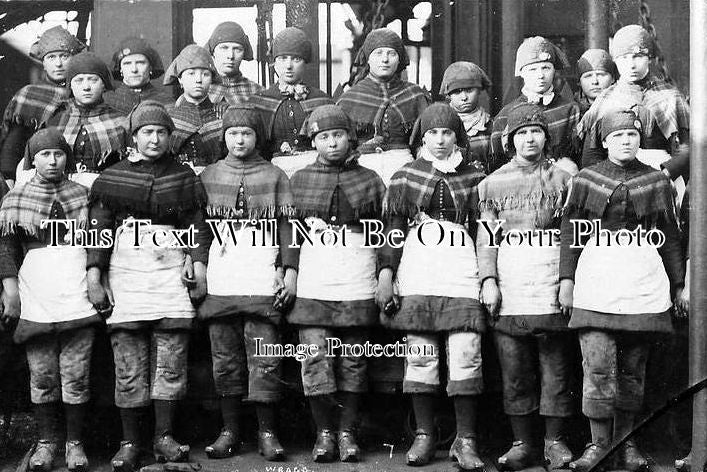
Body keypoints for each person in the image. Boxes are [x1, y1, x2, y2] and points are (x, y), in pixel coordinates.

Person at [85, 101, 210, 471]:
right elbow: (99, 231)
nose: (154, 139)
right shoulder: (112, 178)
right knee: (129, 361)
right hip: (126, 269)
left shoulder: (184, 176)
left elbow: (198, 226)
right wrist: (96, 275)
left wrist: (197, 263)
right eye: (146, 133)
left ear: (170, 137)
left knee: (171, 357)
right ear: (134, 137)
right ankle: (129, 441)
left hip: (170, 271)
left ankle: (164, 437)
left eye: (161, 132)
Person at [559, 109, 684, 472]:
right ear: (604, 142)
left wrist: (678, 286)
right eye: (617, 136)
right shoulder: (586, 180)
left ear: (640, 139)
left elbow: (671, 238)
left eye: (631, 135)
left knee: (632, 370)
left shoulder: (656, 181)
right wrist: (567, 281)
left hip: (642, 281)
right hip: (597, 277)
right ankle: (598, 446)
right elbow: (570, 234)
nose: (625, 141)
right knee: (597, 366)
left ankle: (626, 446)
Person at [377, 103, 487, 470]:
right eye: (432, 135)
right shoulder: (406, 175)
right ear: (422, 138)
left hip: (462, 268)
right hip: (420, 267)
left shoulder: (475, 177)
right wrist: (387, 276)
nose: (440, 141)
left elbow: (485, 232)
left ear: (458, 136)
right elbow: (391, 232)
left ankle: (465, 439)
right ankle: (424, 435)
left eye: (447, 134)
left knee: (466, 351)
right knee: (421, 355)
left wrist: (488, 277)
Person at [477, 103, 574, 470]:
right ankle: (522, 443)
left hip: (550, 279)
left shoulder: (564, 180)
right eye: (521, 133)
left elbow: (571, 235)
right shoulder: (494, 183)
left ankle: (555, 441)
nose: (529, 138)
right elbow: (487, 237)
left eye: (536, 131)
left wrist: (567, 280)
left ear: (546, 137)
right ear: (510, 140)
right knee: (514, 368)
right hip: (512, 281)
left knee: (556, 367)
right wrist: (489, 280)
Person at [288, 104, 386, 463]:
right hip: (315, 278)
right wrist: (290, 273)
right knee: (314, 357)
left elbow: (386, 234)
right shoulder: (299, 180)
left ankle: (347, 432)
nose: (332, 143)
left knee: (354, 360)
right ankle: (324, 433)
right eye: (324, 137)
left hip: (356, 276)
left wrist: (385, 273)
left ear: (350, 137)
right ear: (313, 141)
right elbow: (290, 235)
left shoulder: (371, 179)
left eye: (338, 135)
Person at [197, 104, 296, 461]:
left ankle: (267, 431)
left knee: (265, 356)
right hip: (223, 274)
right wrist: (200, 266)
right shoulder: (208, 175)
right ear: (224, 137)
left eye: (247, 133)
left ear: (258, 137)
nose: (240, 140)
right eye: (233, 133)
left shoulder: (275, 176)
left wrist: (287, 270)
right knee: (225, 358)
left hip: (261, 271)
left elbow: (288, 229)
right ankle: (229, 430)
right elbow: (201, 230)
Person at [0, 129, 100, 472]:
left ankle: (75, 442)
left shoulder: (83, 196)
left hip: (75, 287)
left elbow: (95, 244)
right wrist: (10, 290)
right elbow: (7, 248)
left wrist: (94, 278)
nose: (52, 161)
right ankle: (46, 442)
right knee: (42, 374)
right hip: (36, 289)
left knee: (76, 373)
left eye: (58, 154)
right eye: (43, 155)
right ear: (32, 159)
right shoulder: (15, 198)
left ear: (67, 157)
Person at [576, 25, 689, 174]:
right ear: (615, 61)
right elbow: (591, 153)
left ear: (649, 58)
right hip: (614, 177)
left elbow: (690, 146)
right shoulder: (606, 99)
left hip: (661, 174)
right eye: (624, 58)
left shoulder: (670, 96)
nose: (631, 64)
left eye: (638, 56)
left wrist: (666, 173)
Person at [19, 52, 129, 189]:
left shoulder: (121, 121)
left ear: (104, 85)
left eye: (93, 80)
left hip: (104, 191)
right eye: (79, 80)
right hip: (59, 190)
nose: (86, 87)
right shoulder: (55, 118)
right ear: (70, 85)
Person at [337, 28, 430, 186]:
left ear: (399, 59)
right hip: (362, 168)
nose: (385, 59)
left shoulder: (415, 95)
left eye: (391, 53)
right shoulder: (350, 97)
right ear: (368, 58)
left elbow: (425, 142)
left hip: (404, 167)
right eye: (378, 53)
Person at [0, 26, 85, 186]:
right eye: (51, 57)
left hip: (76, 174)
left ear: (74, 59)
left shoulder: (84, 92)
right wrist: (9, 179)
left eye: (64, 56)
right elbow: (14, 145)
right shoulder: (29, 95)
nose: (58, 63)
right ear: (43, 63)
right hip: (37, 175)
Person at [489, 36, 580, 175]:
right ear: (522, 73)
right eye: (532, 69)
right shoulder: (505, 115)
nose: (540, 75)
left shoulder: (571, 110)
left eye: (546, 68)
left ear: (554, 70)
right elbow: (498, 166)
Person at [250, 27, 333, 175]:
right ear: (274, 63)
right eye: (282, 58)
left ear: (305, 62)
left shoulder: (322, 100)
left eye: (296, 59)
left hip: (315, 174)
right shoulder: (259, 102)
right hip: (271, 175)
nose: (288, 66)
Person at [164, 44, 223, 175]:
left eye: (205, 74)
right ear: (180, 79)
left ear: (212, 79)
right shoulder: (168, 116)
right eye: (191, 73)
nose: (198, 80)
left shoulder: (223, 114)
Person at [439, 61, 493, 172]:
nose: (464, 97)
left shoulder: (490, 125)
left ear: (479, 91)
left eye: (469, 90)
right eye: (457, 92)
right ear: (448, 95)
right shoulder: (439, 125)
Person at [104, 37, 172, 115]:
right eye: (127, 63)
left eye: (140, 63)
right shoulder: (107, 101)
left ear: (150, 67)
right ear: (120, 69)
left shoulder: (165, 101)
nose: (134, 69)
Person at [206, 22, 263, 108]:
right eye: (224, 48)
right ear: (213, 52)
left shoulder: (257, 92)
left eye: (237, 49)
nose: (231, 56)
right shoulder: (200, 89)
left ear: (244, 53)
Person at [574, 49, 616, 116]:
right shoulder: (571, 111)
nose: (595, 82)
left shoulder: (624, 104)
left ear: (613, 78)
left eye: (601, 75)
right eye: (588, 76)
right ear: (579, 82)